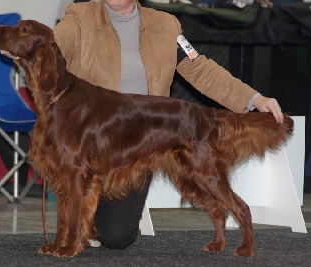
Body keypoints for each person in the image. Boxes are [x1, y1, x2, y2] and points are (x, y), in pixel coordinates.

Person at [51, 0, 284, 250]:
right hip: (90, 141)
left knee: (116, 237)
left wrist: (254, 99)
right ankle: (81, 218)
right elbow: (50, 47)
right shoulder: (79, 17)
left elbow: (202, 70)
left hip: (140, 145)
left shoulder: (165, 25)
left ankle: (92, 215)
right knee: (80, 189)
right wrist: (24, 47)